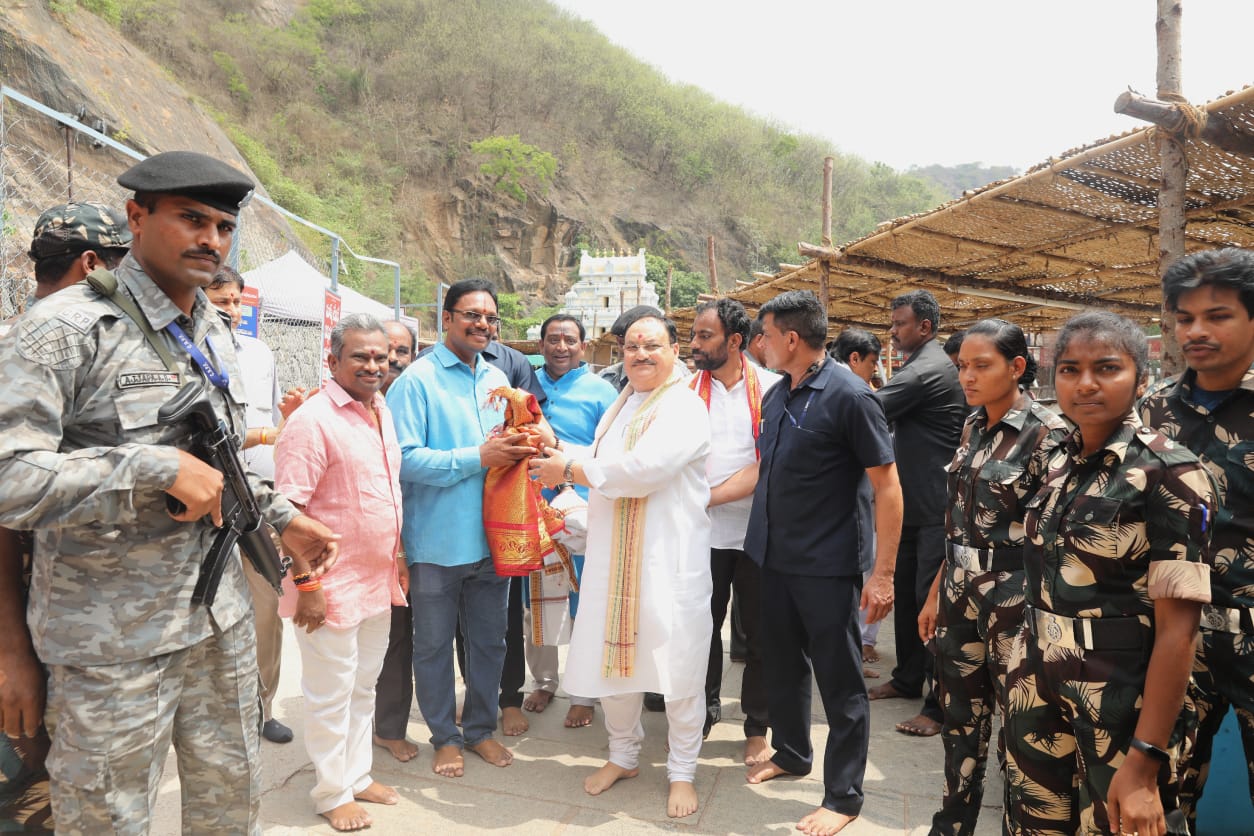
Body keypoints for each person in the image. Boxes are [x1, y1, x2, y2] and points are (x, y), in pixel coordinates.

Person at [0, 151, 341, 833]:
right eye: (191, 219)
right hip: (111, 641)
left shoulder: (213, 331)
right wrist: (148, 469)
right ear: (136, 216)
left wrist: (279, 515)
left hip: (218, 623)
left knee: (229, 805)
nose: (211, 239)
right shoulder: (61, 330)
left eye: (223, 225)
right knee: (107, 821)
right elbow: (10, 478)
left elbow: (213, 459)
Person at [1003, 311, 1214, 835]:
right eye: (1070, 370)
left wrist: (1145, 758)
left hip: (1121, 698)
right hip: (1037, 680)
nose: (1086, 383)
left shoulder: (1172, 473)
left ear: (1142, 379)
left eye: (1107, 368)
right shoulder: (1056, 461)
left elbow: (1179, 629)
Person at [529, 314, 713, 819]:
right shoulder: (624, 402)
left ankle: (681, 771)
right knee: (617, 664)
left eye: (652, 345)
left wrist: (566, 469)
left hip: (667, 564)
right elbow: (599, 457)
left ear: (676, 350)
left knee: (678, 669)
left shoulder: (685, 407)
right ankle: (624, 756)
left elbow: (644, 470)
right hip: (615, 563)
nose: (640, 354)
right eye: (631, 346)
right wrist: (556, 448)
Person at [744, 291, 903, 836]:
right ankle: (791, 751)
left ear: (790, 339)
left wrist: (882, 575)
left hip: (826, 563)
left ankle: (843, 797)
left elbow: (888, 487)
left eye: (762, 335)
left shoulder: (850, 395)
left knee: (840, 681)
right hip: (773, 557)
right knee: (782, 663)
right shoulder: (776, 394)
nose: (756, 344)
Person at [0, 202, 132, 831]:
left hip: (52, 630)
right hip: (28, 633)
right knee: (31, 796)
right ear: (90, 267)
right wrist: (12, 655)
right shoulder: (39, 353)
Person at [387, 278, 547, 778]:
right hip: (437, 542)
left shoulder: (495, 380)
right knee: (432, 646)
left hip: (494, 538)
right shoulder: (417, 381)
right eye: (472, 315)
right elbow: (405, 459)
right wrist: (478, 457)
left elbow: (504, 447)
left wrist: (524, 443)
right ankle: (444, 736)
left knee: (491, 642)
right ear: (447, 319)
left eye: (491, 318)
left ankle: (479, 730)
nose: (483, 324)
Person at [916, 319, 1067, 836]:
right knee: (960, 722)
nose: (968, 377)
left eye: (982, 366)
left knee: (1020, 732)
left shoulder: (1049, 434)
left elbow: (1053, 538)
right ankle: (951, 825)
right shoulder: (973, 427)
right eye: (962, 367)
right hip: (960, 594)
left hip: (1015, 600)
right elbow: (956, 522)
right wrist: (936, 593)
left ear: (1017, 367)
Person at [275, 314, 406, 832]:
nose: (374, 365)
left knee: (364, 686)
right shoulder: (312, 421)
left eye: (381, 356)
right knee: (331, 692)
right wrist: (306, 585)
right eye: (361, 356)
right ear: (332, 361)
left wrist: (396, 561)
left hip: (377, 579)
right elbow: (284, 511)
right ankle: (331, 792)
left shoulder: (381, 410)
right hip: (328, 587)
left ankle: (356, 776)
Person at [1140, 248, 1254, 830]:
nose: (1197, 331)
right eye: (1185, 318)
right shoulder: (1156, 407)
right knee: (1154, 793)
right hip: (1169, 637)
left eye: (1218, 315)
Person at [868, 290, 967, 738]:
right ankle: (908, 677)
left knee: (933, 609)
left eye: (901, 323)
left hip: (933, 509)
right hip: (911, 508)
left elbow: (869, 406)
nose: (893, 331)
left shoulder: (928, 368)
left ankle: (938, 704)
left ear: (924, 328)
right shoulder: (917, 364)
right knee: (907, 599)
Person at [203, 265, 293, 746]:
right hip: (205, 504)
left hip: (258, 502)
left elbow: (275, 417)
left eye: (237, 301)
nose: (231, 310)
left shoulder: (260, 353)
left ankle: (263, 707)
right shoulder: (185, 351)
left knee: (265, 609)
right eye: (220, 299)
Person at [688, 298, 780, 761]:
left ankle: (757, 726)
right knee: (701, 627)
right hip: (699, 535)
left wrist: (703, 495)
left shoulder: (773, 388)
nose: (694, 345)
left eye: (705, 336)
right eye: (694, 335)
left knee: (760, 632)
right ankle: (701, 714)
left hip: (757, 533)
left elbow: (767, 465)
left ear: (736, 340)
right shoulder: (684, 390)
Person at [523, 313, 617, 728]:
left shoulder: (600, 392)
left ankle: (584, 694)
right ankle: (543, 681)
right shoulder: (526, 385)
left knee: (584, 601)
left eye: (570, 340)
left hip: (581, 511)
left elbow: (607, 453)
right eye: (553, 339)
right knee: (536, 601)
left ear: (583, 346)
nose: (561, 347)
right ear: (540, 344)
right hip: (529, 507)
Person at [372, 319, 423, 763]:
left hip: (418, 541)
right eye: (382, 350)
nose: (390, 360)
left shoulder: (416, 400)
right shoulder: (354, 405)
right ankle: (379, 728)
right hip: (372, 547)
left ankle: (390, 724)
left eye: (401, 351)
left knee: (405, 638)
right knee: (386, 639)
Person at [831, 328, 884, 675]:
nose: (874, 369)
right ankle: (853, 649)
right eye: (871, 362)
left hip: (846, 508)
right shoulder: (858, 397)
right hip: (853, 508)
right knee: (857, 581)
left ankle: (856, 645)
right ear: (854, 359)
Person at [598, 304, 665, 392]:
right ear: (621, 343)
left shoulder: (682, 378)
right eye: (633, 346)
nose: (642, 355)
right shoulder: (607, 379)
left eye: (651, 345)